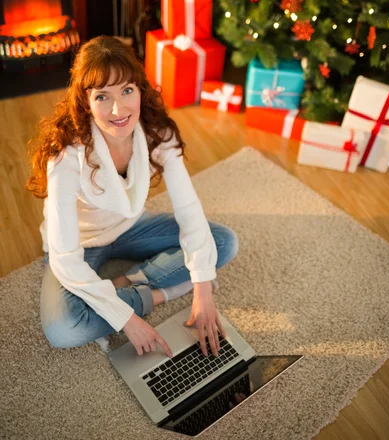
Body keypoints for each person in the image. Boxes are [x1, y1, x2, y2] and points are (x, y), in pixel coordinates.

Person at [26, 35, 238, 360]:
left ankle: (128, 281)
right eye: (102, 97)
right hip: (83, 242)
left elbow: (189, 210)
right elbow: (65, 258)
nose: (118, 109)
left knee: (223, 242)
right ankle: (157, 294)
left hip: (129, 226)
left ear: (140, 89)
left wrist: (203, 291)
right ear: (85, 101)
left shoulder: (157, 133)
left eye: (127, 90)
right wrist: (127, 318)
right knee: (63, 327)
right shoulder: (66, 157)